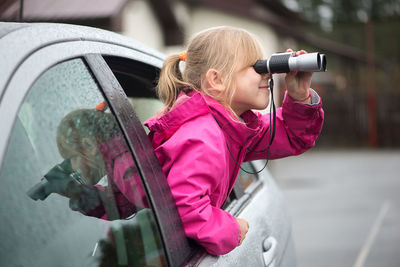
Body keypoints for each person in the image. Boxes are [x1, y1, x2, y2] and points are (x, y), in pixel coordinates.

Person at [144, 26, 324, 255]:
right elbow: (185, 209)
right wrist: (231, 229)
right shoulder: (202, 137)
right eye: (256, 67)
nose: (267, 74)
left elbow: (291, 135)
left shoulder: (232, 127)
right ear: (216, 80)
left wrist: (299, 97)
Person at [29, 105, 148, 220]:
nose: (73, 167)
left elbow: (154, 199)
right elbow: (121, 203)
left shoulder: (124, 166)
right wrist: (77, 192)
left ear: (89, 146)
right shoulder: (124, 160)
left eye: (72, 158)